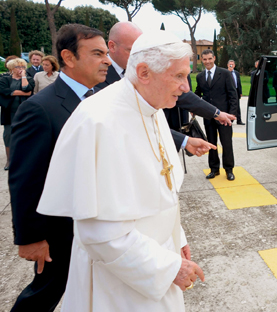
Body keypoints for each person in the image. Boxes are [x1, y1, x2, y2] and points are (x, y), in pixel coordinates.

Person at [37, 31, 205, 311]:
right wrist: (167, 268)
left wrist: (178, 238)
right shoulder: (98, 121)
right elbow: (99, 233)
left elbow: (161, 192)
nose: (185, 87)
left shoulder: (151, 108)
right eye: (178, 76)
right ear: (144, 72)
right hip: (120, 279)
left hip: (158, 256)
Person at [8, 24, 109, 312]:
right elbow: (25, 178)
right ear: (68, 57)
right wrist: (31, 238)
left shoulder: (101, 99)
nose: (107, 60)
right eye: (98, 53)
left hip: (97, 222)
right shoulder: (40, 108)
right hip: (60, 231)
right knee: (45, 293)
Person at [95, 21, 235, 150]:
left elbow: (155, 124)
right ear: (112, 46)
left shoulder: (157, 105)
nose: (138, 56)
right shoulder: (96, 79)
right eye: (132, 51)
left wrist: (215, 114)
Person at [195, 49, 238, 180]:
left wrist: (232, 114)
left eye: (209, 59)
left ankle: (229, 169)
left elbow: (233, 95)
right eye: (204, 59)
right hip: (208, 117)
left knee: (226, 143)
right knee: (211, 143)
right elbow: (198, 94)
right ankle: (214, 169)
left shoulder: (224, 73)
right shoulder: (200, 76)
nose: (207, 61)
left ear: (214, 58)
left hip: (224, 117)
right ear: (202, 60)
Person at [0, 58, 35, 170]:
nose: (21, 69)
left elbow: (28, 90)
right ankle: (9, 160)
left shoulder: (29, 78)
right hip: (9, 112)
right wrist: (21, 93)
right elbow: (4, 91)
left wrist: (23, 77)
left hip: (24, 111)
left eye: (23, 67)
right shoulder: (4, 79)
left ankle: (25, 159)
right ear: (11, 68)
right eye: (18, 67)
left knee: (25, 134)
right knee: (8, 135)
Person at [227, 60, 244, 124]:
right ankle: (229, 119)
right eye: (230, 64)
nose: (231, 65)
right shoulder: (226, 72)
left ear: (234, 65)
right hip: (228, 91)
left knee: (237, 105)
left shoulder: (236, 73)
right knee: (229, 105)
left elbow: (239, 83)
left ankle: (239, 120)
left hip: (236, 90)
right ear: (227, 65)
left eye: (232, 64)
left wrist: (240, 92)